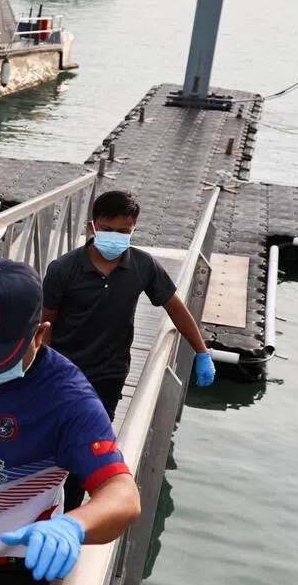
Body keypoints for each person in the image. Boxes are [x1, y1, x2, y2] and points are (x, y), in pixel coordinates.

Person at [0, 257, 141, 585]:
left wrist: (74, 525)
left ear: (39, 334)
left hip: (8, 569)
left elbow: (123, 494)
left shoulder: (67, 400)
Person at [41, 190, 216, 512]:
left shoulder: (142, 266)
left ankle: (71, 515)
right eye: (107, 229)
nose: (115, 237)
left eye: (123, 231)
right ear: (92, 227)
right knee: (52, 445)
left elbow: (175, 308)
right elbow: (44, 324)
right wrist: (40, 369)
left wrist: (201, 351)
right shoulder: (63, 269)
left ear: (134, 229)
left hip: (109, 375)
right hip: (63, 372)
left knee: (89, 449)